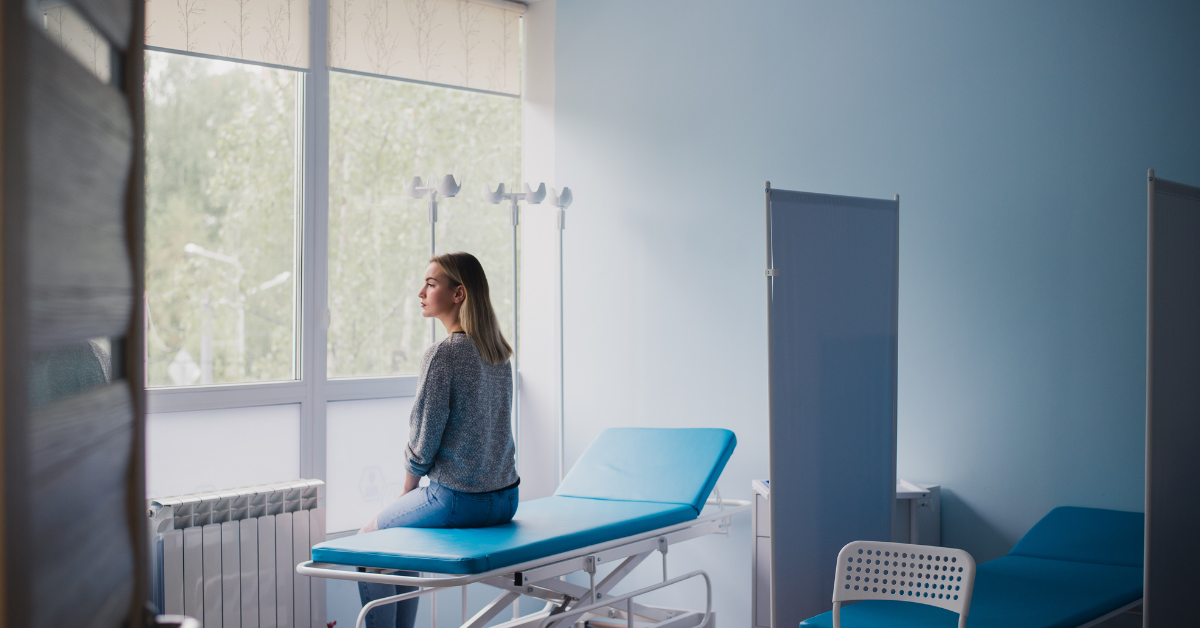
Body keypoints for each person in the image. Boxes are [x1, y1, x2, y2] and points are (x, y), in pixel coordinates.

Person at [357, 252, 520, 628]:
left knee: (366, 545)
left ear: (458, 294)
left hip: (461, 501)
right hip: (506, 500)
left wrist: (407, 489)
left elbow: (424, 436)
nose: (421, 292)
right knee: (402, 543)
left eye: (431, 284)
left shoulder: (443, 354)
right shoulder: (499, 353)